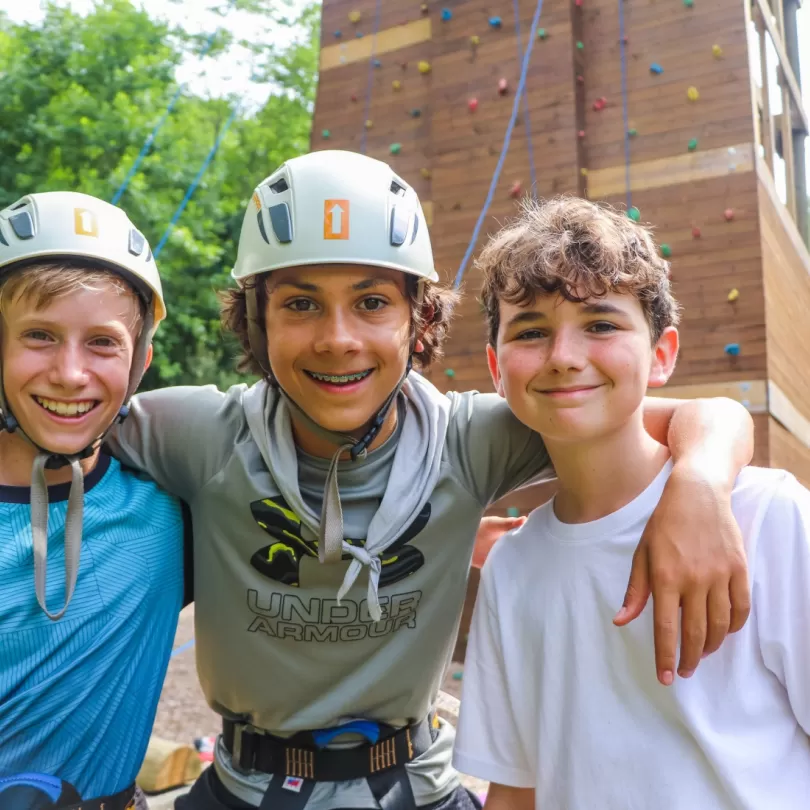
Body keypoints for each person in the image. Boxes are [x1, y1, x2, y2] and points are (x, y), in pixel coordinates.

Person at [104, 150, 754, 810]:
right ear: (256, 320)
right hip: (243, 788)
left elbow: (699, 415)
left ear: (420, 320)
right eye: (300, 303)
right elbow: (59, 419)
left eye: (372, 302)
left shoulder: (466, 442)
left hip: (415, 789)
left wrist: (700, 483)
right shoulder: (203, 433)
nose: (338, 339)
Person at [453, 196, 810, 810]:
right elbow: (516, 789)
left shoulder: (766, 518)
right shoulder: (511, 569)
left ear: (662, 353)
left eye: (601, 324)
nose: (564, 356)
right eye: (532, 331)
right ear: (495, 367)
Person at [0, 192, 189, 810]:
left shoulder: (170, 510)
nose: (70, 373)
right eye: (39, 336)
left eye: (103, 343)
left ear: (140, 363)